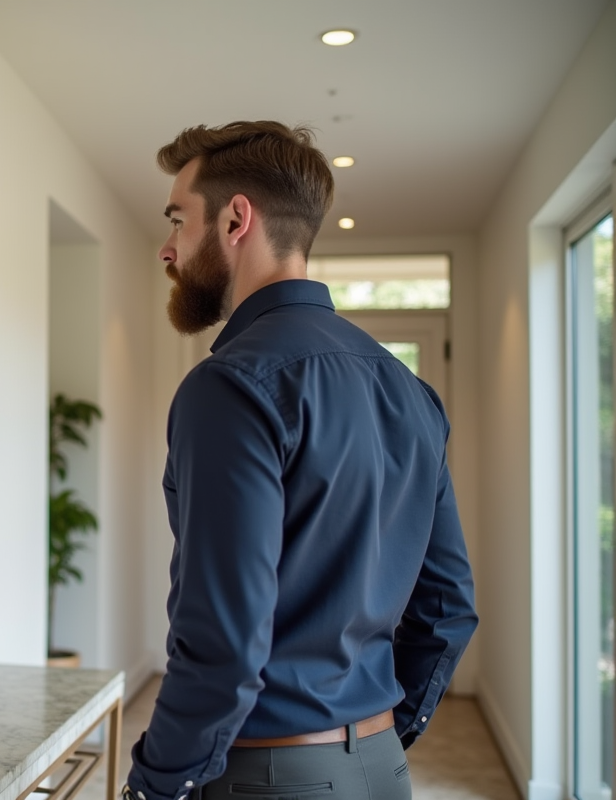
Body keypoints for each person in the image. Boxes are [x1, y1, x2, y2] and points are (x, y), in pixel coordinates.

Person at [124, 122, 477, 800]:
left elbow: (223, 645)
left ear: (235, 219)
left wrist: (155, 786)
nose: (167, 250)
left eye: (177, 220)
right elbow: (448, 608)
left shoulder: (227, 387)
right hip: (383, 775)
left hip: (269, 776)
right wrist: (377, 736)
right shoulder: (409, 392)